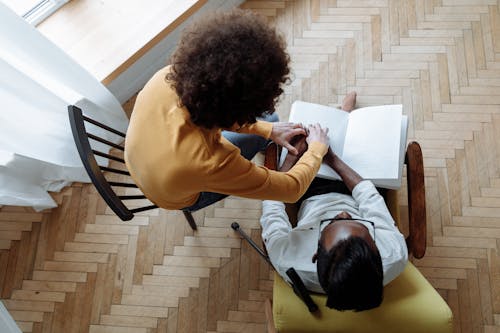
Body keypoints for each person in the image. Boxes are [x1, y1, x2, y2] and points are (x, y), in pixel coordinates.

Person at [124, 9, 330, 212]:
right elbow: (292, 190)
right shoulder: (212, 162)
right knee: (270, 119)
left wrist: (268, 129)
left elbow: (218, 114)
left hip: (139, 161)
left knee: (269, 123)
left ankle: (266, 136)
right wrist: (317, 149)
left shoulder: (164, 77)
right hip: (176, 198)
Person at [260, 92, 408, 311]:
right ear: (376, 249)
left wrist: (294, 158)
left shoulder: (285, 257)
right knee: (365, 148)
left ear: (316, 252)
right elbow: (370, 198)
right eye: (361, 226)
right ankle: (344, 116)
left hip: (312, 193)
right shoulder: (393, 254)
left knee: (305, 141)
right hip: (360, 187)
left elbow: (272, 205)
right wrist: (332, 159)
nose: (344, 214)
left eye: (331, 223)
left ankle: (341, 116)